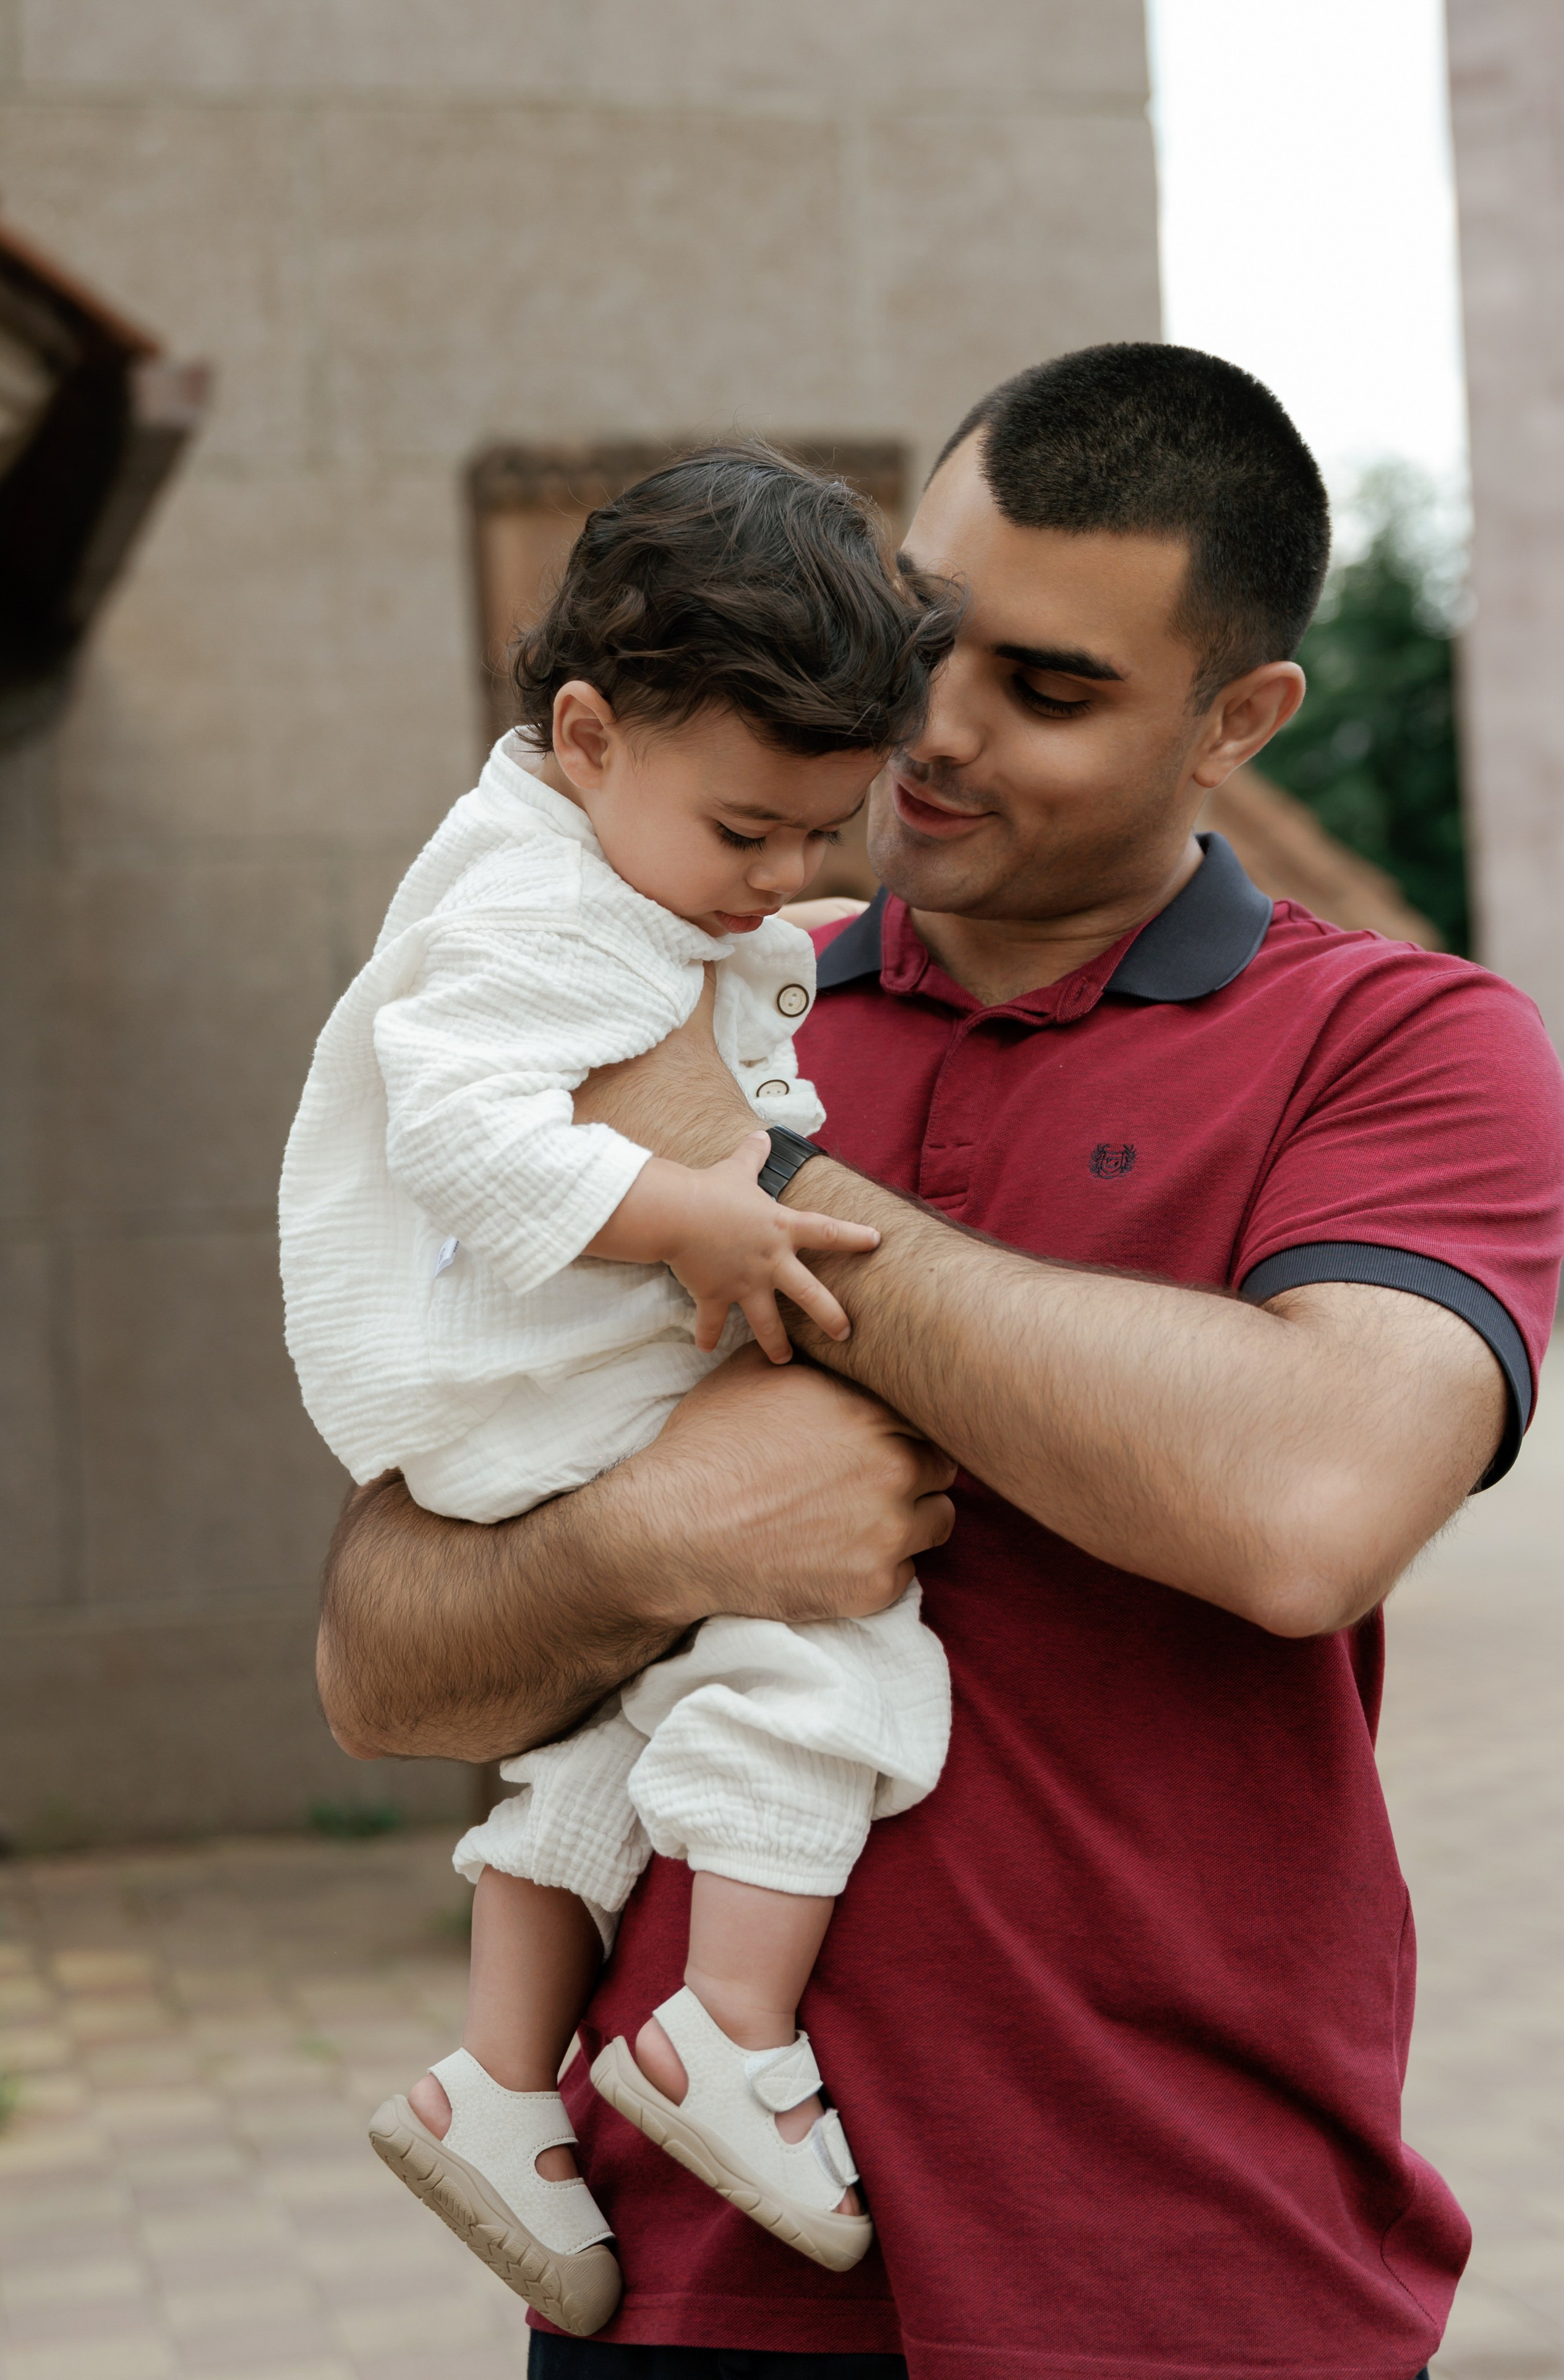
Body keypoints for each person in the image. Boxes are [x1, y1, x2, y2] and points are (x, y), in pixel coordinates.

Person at [317, 345, 1564, 2380]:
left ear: (1239, 720)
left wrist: (744, 1167)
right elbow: (380, 1669)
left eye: (1050, 691)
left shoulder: (1401, 1049)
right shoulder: (674, 987)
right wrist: (651, 1535)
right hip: (677, 2282)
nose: (937, 733)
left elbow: (1308, 1512)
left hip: (1187, 2272)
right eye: (931, 640)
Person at [280, 447, 964, 2337]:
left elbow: (704, 963)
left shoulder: (597, 862)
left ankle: (501, 2088)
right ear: (588, 735)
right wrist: (703, 1215)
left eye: (823, 833)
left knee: (614, 1729)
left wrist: (764, 946)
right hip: (522, 1373)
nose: (786, 876)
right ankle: (724, 2034)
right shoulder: (539, 905)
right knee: (836, 1664)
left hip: (515, 1391)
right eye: (749, 830)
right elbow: (464, 1132)